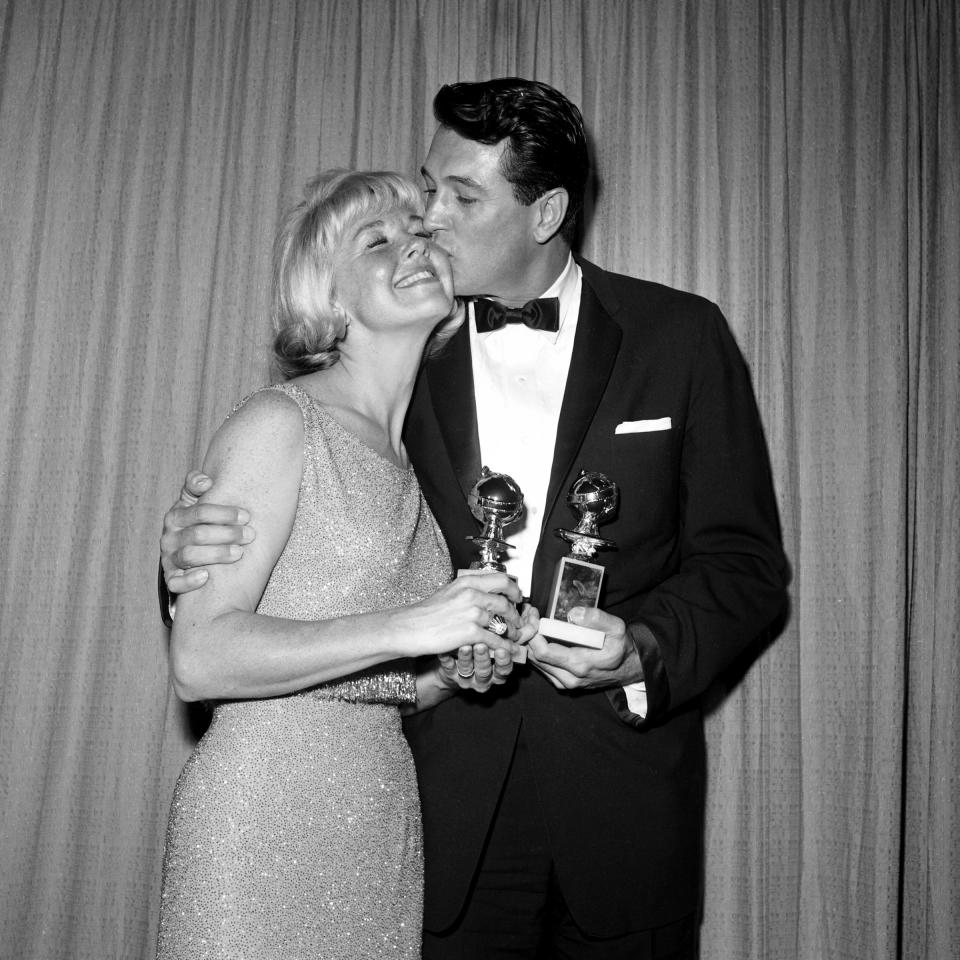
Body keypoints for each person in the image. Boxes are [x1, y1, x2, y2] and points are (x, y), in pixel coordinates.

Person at [160, 80, 788, 959]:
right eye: (427, 188)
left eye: (461, 197)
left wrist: (641, 649)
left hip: (624, 807)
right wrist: (187, 550)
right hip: (430, 808)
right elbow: (286, 536)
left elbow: (746, 567)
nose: (428, 220)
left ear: (546, 213)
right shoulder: (395, 349)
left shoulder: (680, 335)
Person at [155, 169, 534, 960]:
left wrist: (454, 669)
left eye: (421, 232)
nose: (415, 247)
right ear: (323, 294)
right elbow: (199, 658)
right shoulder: (279, 422)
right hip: (261, 818)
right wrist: (414, 623)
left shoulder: (417, 461)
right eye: (379, 239)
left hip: (379, 824)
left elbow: (382, 681)